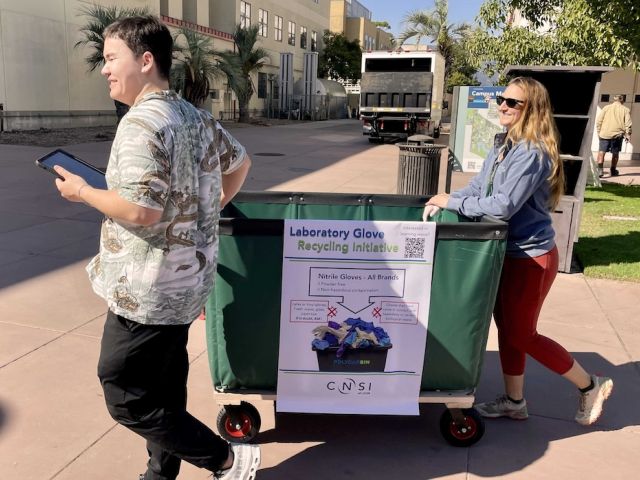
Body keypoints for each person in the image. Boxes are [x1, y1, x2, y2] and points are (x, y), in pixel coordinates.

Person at [53, 16, 258, 480]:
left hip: (145, 290)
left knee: (125, 393)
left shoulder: (140, 124)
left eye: (110, 59)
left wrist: (82, 191)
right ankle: (161, 472)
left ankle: (226, 459)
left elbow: (140, 211)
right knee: (165, 385)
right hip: (188, 281)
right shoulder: (195, 116)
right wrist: (206, 211)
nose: (104, 70)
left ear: (146, 61)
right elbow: (240, 162)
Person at [423, 77, 613, 426]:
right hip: (507, 253)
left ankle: (590, 385)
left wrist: (452, 201)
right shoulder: (505, 144)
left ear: (533, 109)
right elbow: (480, 187)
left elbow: (501, 206)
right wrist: (447, 199)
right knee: (508, 328)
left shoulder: (532, 152)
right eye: (501, 99)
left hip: (531, 258)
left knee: (522, 333)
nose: (503, 106)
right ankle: (514, 401)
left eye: (513, 102)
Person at [596, 94, 632, 177]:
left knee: (601, 152)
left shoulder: (606, 108)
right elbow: (628, 124)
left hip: (604, 134)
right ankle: (613, 170)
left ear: (614, 100)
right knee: (615, 154)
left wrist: (599, 132)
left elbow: (599, 121)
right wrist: (628, 134)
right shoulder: (625, 110)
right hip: (617, 135)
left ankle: (600, 171)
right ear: (622, 100)